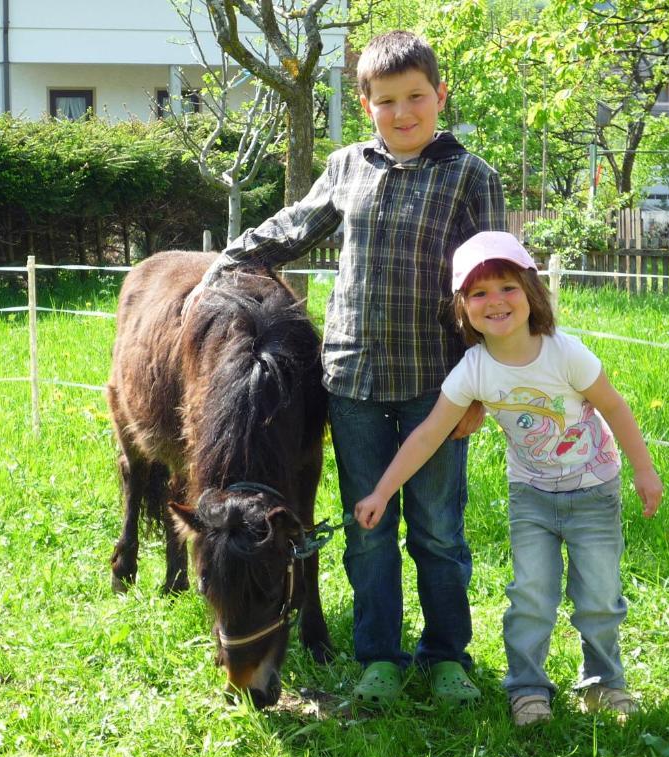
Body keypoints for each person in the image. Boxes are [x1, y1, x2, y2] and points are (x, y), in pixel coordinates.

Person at [186, 30, 505, 707]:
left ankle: (447, 655)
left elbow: (493, 285)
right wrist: (222, 265)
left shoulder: (471, 177)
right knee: (369, 527)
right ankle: (380, 658)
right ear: (366, 105)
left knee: (438, 530)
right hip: (352, 385)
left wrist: (485, 387)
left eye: (416, 96)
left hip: (439, 390)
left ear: (439, 96)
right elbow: (292, 226)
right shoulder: (348, 168)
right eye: (386, 100)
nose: (403, 112)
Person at [355, 231, 663, 726]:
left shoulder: (564, 353)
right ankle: (526, 687)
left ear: (531, 292)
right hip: (532, 498)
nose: (494, 301)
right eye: (479, 293)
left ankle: (604, 682)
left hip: (594, 492)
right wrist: (383, 490)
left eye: (506, 288)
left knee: (599, 595)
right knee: (532, 596)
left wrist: (644, 472)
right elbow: (429, 434)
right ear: (463, 307)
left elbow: (614, 407)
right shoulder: (473, 369)